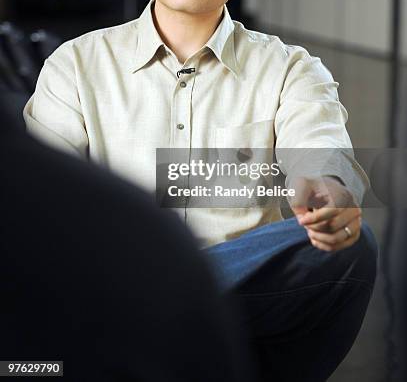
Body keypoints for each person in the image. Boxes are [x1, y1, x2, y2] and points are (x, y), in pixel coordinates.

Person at [24, 0, 378, 381]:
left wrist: (326, 190)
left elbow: (320, 148)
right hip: (111, 290)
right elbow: (43, 210)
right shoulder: (75, 66)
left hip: (241, 299)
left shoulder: (290, 69)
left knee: (350, 248)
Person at [0, 99, 255, 382]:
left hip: (237, 263)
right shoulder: (73, 64)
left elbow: (310, 154)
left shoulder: (285, 66)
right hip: (122, 269)